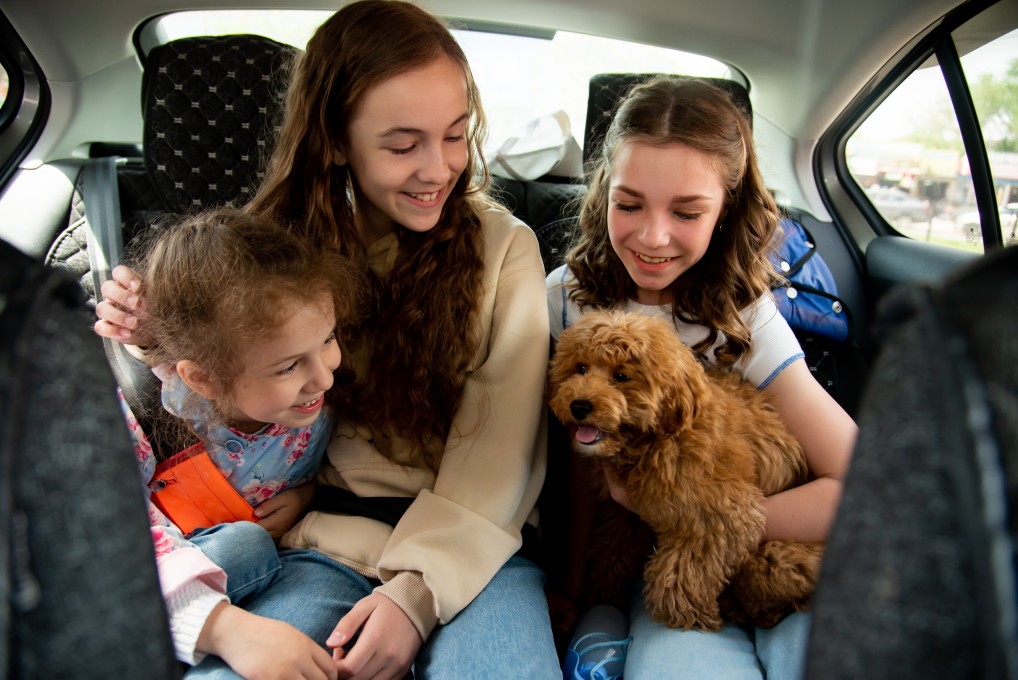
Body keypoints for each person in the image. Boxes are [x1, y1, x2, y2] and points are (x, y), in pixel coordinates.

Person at [95, 2, 559, 678]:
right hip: (321, 542)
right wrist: (151, 340)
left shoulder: (505, 247)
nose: (439, 169)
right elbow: (222, 384)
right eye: (403, 145)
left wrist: (417, 593)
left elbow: (502, 454)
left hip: (476, 552)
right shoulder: (271, 250)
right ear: (336, 138)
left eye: (456, 136)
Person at [545, 76, 858, 679]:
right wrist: (577, 584)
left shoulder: (743, 317)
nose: (652, 236)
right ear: (603, 192)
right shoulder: (564, 300)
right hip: (640, 567)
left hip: (743, 538)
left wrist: (709, 515)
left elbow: (861, 487)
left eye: (686, 212)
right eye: (629, 204)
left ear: (726, 211)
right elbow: (572, 467)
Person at [121, 208, 359, 679]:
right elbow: (113, 545)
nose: (324, 375)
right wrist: (221, 628)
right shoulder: (139, 410)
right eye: (289, 366)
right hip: (152, 580)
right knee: (246, 547)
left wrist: (311, 495)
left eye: (329, 339)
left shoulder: (316, 404)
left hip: (277, 565)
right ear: (204, 378)